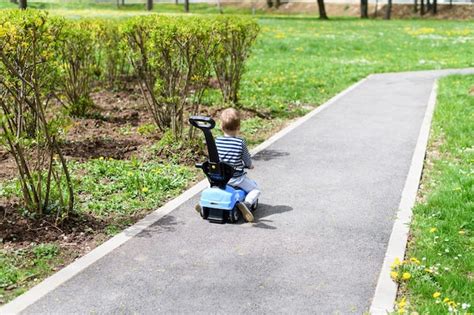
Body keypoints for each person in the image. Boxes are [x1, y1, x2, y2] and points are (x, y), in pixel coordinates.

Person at [195, 108, 260, 222]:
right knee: (255, 190)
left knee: (210, 187)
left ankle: (204, 204)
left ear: (221, 126)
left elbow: (213, 158)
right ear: (238, 127)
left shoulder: (217, 141)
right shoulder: (240, 142)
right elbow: (246, 159)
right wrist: (250, 165)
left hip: (218, 178)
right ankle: (247, 204)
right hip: (236, 178)